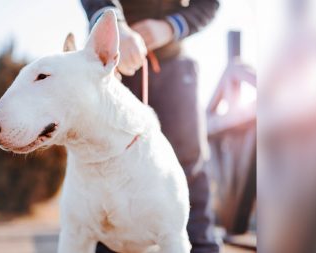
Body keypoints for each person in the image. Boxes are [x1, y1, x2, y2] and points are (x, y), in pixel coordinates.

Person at [80, 1, 220, 252]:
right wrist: (114, 24)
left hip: (174, 64)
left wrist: (170, 27)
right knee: (107, 164)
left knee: (190, 162)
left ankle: (202, 247)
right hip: (111, 67)